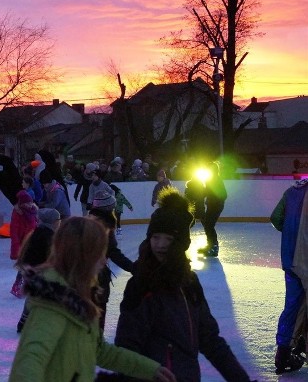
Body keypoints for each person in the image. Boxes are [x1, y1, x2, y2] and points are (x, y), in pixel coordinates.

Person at [10, 216, 176, 382]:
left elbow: (100, 351)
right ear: (82, 255)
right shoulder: (53, 306)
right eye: (100, 253)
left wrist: (150, 369)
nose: (104, 261)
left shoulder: (78, 298)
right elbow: (29, 361)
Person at [115, 188, 253, 380]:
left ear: (181, 243)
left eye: (169, 239)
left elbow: (210, 339)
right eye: (155, 237)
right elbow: (126, 346)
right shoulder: (141, 284)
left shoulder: (188, 282)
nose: (161, 244)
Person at [270, 176, 308, 374]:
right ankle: (300, 347)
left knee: (292, 305)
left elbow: (275, 218)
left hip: (290, 259)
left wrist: (290, 233)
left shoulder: (292, 191)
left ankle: (283, 354)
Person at [88, 191, 135, 332]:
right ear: (109, 209)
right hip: (96, 275)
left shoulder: (89, 220)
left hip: (82, 274)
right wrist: (135, 268)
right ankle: (96, 341)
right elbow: (114, 253)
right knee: (98, 309)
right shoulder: (103, 227)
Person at [13, 208, 60, 332]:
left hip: (31, 270)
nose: (60, 222)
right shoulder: (48, 236)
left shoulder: (37, 232)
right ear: (53, 222)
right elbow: (51, 257)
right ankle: (34, 323)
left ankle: (24, 321)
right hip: (39, 271)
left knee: (35, 296)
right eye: (58, 220)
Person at [9, 190, 37, 298]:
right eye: (27, 203)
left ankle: (27, 285)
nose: (30, 204)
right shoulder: (17, 213)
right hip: (22, 243)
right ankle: (17, 285)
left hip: (32, 241)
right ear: (22, 203)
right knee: (24, 265)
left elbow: (35, 225)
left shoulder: (33, 211)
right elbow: (14, 231)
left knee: (30, 265)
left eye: (30, 202)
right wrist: (16, 248)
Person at [199, 162, 227, 258]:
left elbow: (224, 195)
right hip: (212, 205)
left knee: (209, 225)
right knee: (207, 224)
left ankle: (214, 247)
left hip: (216, 206)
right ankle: (210, 245)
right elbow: (206, 192)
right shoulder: (209, 180)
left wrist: (214, 199)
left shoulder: (216, 180)